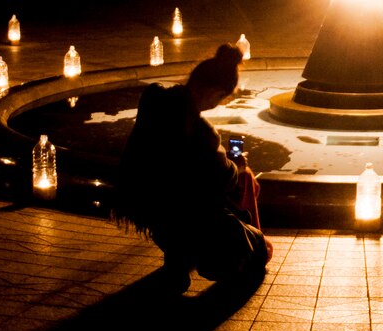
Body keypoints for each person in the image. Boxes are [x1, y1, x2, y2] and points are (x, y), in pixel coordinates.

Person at [116, 43, 271, 283]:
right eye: (221, 98)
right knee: (261, 246)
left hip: (144, 201)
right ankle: (214, 255)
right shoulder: (200, 130)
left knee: (188, 203)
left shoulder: (156, 100)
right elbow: (223, 178)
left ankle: (178, 256)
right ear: (215, 91)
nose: (217, 104)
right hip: (190, 215)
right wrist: (237, 165)